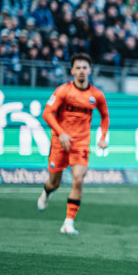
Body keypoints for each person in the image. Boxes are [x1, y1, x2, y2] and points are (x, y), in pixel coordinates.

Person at [37, 52, 109, 235]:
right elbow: (46, 113)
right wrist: (61, 133)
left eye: (84, 67)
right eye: (78, 68)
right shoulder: (63, 91)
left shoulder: (97, 95)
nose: (81, 71)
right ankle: (46, 193)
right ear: (72, 71)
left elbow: (105, 116)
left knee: (78, 180)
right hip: (60, 143)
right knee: (54, 183)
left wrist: (102, 136)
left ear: (90, 70)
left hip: (81, 144)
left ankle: (68, 223)